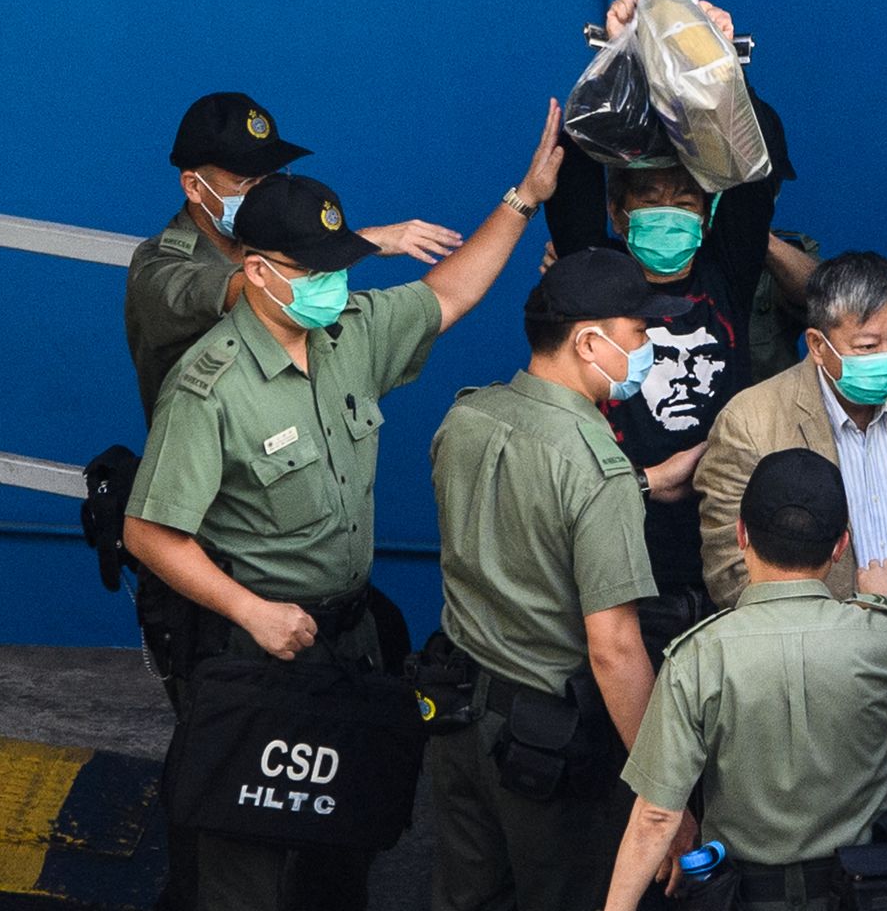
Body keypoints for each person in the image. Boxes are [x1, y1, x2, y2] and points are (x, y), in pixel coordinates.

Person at [120, 103, 565, 911]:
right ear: (257, 272)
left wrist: (524, 199)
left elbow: (446, 295)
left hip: (343, 642)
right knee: (240, 868)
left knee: (340, 848)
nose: (335, 284)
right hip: (254, 651)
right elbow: (149, 530)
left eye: (340, 267)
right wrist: (252, 612)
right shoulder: (208, 385)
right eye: (316, 269)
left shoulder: (349, 331)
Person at [426, 248, 698, 909]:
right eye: (638, 332)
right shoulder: (595, 468)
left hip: (456, 719)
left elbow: (523, 517)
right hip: (545, 746)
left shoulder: (467, 416)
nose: (649, 346)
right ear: (588, 342)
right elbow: (615, 649)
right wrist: (664, 797)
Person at [545, 0, 808, 608]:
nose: (668, 209)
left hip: (723, 546)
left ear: (708, 211)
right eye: (649, 197)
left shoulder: (728, 270)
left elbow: (759, 152)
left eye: (684, 198)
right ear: (619, 211)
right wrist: (625, 51)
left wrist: (710, 56)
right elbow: (578, 156)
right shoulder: (594, 276)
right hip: (622, 551)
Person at [603, 448, 887, 911]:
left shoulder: (698, 656)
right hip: (865, 892)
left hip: (744, 897)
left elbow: (655, 816)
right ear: (840, 546)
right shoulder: (883, 638)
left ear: (741, 534)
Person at [696, 251, 887, 643]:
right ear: (817, 344)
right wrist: (837, 647)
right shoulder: (750, 423)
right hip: (812, 657)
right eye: (866, 347)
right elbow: (731, 569)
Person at [126, 91, 462, 422]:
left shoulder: (277, 241)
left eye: (270, 177)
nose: (263, 192)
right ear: (194, 187)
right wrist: (355, 243)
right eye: (246, 182)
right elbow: (253, 288)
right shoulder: (158, 266)